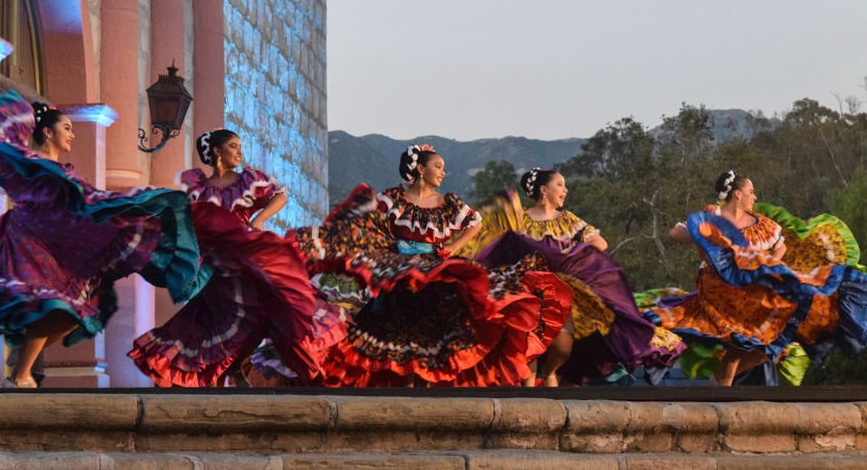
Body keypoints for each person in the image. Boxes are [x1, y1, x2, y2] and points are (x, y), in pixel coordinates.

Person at [0, 91, 205, 388]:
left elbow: (88, 200)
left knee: (70, 314)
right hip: (31, 245)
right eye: (66, 127)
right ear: (48, 132)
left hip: (57, 247)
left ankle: (21, 364)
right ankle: (21, 373)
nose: (72, 133)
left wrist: (137, 206)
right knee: (58, 308)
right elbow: (64, 196)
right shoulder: (34, 165)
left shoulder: (59, 169)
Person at [295, 145, 572, 386]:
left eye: (444, 168)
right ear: (420, 169)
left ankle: (426, 391)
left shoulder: (448, 202)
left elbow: (474, 223)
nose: (442, 172)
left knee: (432, 333)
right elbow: (368, 223)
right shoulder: (391, 199)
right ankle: (404, 391)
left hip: (434, 271)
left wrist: (452, 247)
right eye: (438, 166)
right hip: (398, 272)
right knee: (400, 334)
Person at [128, 129, 342, 386]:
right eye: (233, 146)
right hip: (215, 270)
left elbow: (280, 195)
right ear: (217, 152)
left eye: (239, 146)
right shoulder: (198, 191)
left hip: (244, 261)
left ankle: (294, 372)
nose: (239, 152)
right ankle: (233, 372)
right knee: (216, 325)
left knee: (268, 310)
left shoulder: (246, 182)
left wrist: (259, 219)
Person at [469, 168, 686, 385]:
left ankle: (550, 373)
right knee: (528, 345)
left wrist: (569, 255)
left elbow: (600, 244)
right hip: (527, 294)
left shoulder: (568, 220)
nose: (566, 190)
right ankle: (532, 395)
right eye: (560, 185)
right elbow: (493, 244)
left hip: (561, 293)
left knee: (563, 347)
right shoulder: (520, 220)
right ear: (544, 190)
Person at [652, 170, 867, 386]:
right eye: (751, 192)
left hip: (753, 290)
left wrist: (767, 268)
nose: (754, 197)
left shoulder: (762, 224)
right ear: (737, 194)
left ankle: (717, 386)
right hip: (721, 290)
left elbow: (780, 247)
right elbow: (675, 233)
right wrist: (706, 239)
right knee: (738, 344)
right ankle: (716, 389)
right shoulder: (713, 217)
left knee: (769, 341)